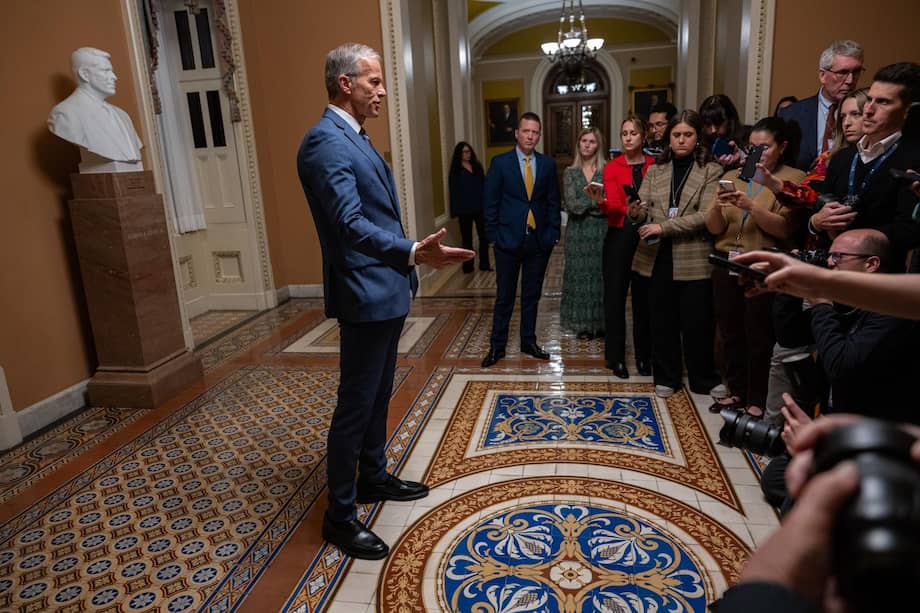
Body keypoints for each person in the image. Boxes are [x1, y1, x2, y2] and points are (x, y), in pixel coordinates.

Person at [296, 43, 473, 560]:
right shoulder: (324, 142)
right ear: (345, 83)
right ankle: (340, 516)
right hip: (364, 292)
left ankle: (371, 477)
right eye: (373, 81)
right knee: (355, 406)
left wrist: (407, 255)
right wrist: (413, 251)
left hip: (385, 290)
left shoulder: (354, 137)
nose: (381, 90)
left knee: (375, 397)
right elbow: (349, 225)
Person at [705, 117, 806, 418]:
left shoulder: (793, 179)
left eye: (765, 147)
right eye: (752, 148)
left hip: (763, 265)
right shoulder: (734, 174)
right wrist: (717, 204)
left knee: (759, 335)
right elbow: (714, 227)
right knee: (730, 332)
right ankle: (735, 390)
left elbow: (785, 230)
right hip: (726, 261)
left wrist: (750, 206)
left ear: (782, 146)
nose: (756, 154)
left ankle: (758, 398)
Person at [628, 110, 726, 399]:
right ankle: (667, 377)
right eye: (676, 135)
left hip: (693, 255)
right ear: (668, 139)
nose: (681, 140)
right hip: (656, 255)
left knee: (697, 322)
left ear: (697, 138)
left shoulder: (711, 170)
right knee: (662, 320)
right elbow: (643, 207)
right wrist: (637, 212)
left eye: (688, 135)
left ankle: (703, 378)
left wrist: (663, 225)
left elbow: (704, 217)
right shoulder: (656, 170)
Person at [806, 62, 920, 263]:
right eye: (869, 100)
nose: (868, 110)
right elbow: (820, 213)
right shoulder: (842, 158)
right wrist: (817, 221)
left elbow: (909, 230)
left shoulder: (913, 159)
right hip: (831, 268)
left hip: (879, 275)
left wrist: (850, 240)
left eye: (883, 102)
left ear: (907, 111)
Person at [481, 112, 562, 367]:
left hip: (538, 242)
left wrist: (552, 235)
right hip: (507, 241)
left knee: (531, 295)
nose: (530, 136)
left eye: (535, 132)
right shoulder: (500, 163)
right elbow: (490, 202)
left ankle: (528, 340)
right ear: (517, 133)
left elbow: (552, 202)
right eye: (526, 131)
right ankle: (497, 346)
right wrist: (494, 236)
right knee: (505, 296)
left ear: (539, 135)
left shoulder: (547, 165)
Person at [586, 115, 655, 377]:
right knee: (614, 298)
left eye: (633, 133)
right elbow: (611, 204)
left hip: (648, 236)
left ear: (643, 137)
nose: (628, 138)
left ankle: (644, 357)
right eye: (624, 133)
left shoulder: (654, 164)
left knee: (643, 298)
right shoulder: (612, 167)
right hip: (619, 235)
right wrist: (623, 207)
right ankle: (616, 359)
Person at [734, 247, 920, 319]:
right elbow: (788, 338)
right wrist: (812, 285)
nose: (830, 262)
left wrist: (818, 283)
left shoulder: (882, 320)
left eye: (839, 256)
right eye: (830, 255)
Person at [778, 40, 865, 171]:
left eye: (856, 72)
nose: (850, 81)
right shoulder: (790, 114)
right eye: (842, 73)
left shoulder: (868, 113)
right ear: (823, 76)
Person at [48, 47, 143, 165]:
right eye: (105, 71)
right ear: (84, 74)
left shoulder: (123, 115)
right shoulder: (64, 115)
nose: (114, 77)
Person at [560, 127, 606, 339]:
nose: (587, 144)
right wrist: (596, 202)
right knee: (579, 278)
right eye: (584, 141)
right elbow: (573, 206)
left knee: (600, 278)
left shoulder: (607, 171)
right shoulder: (570, 172)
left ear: (598, 145)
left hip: (601, 233)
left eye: (592, 141)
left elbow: (609, 204)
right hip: (577, 235)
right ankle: (582, 325)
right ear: (578, 144)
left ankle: (601, 324)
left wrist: (597, 204)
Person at [449, 142, 491, 273]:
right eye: (464, 152)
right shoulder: (455, 170)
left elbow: (484, 185)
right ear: (459, 154)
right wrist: (454, 211)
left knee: (484, 237)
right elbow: (453, 192)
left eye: (468, 151)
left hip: (480, 207)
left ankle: (484, 264)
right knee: (466, 240)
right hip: (464, 210)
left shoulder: (477, 166)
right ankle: (468, 267)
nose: (467, 154)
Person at [699, 94, 748, 168]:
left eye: (718, 123)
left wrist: (740, 156)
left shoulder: (747, 139)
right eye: (708, 124)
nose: (713, 130)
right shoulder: (699, 142)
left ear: (729, 120)